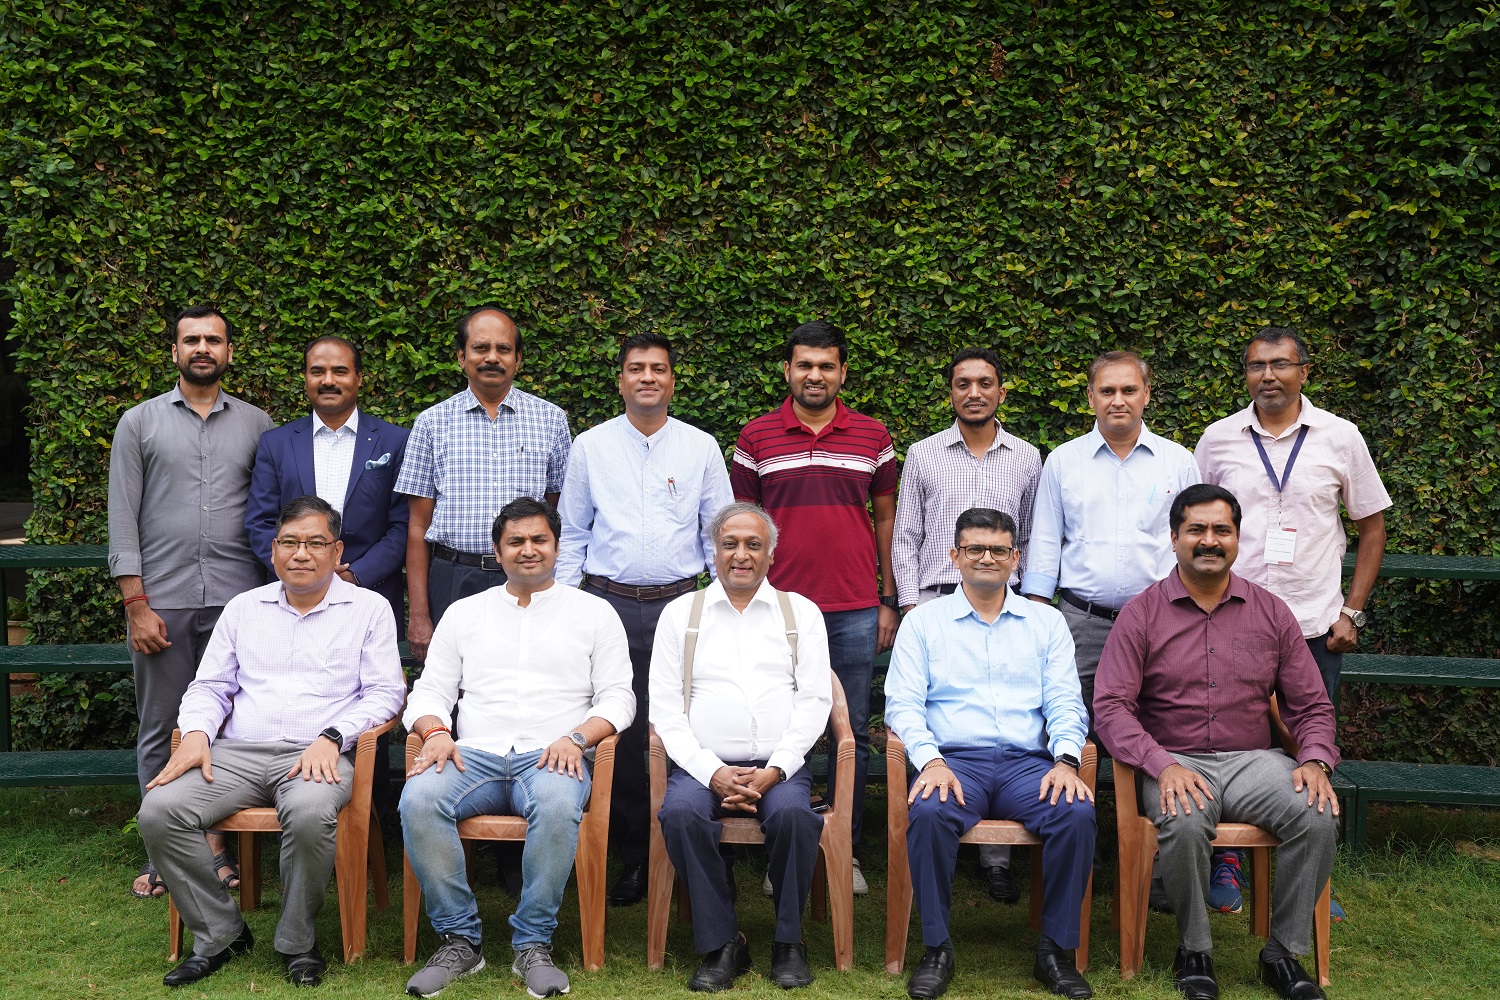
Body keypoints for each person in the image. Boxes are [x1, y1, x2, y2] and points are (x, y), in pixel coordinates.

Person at [138, 495, 406, 988]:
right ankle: (219, 932)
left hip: (318, 755)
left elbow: (387, 692)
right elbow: (211, 685)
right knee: (158, 811)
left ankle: (297, 940)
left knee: (307, 813)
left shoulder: (368, 608)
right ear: (274, 547)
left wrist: (334, 735)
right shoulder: (245, 607)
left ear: (337, 550)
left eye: (315, 543)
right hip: (236, 754)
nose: (301, 554)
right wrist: (197, 732)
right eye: (289, 542)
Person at [1093, 483, 1341, 1000]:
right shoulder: (1142, 614)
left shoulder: (1270, 612)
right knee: (1183, 822)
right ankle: (1195, 950)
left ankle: (1282, 952)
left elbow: (1311, 704)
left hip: (1255, 761)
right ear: (1174, 538)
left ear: (1237, 538)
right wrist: (1160, 765)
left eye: (1221, 530)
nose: (1210, 540)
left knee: (1317, 813)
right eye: (1197, 530)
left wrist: (1315, 758)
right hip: (1173, 760)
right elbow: (1112, 707)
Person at [400, 497, 635, 1000]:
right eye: (516, 542)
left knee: (555, 803)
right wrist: (436, 729)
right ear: (497, 550)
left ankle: (532, 945)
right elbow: (429, 690)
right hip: (473, 755)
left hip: (555, 753)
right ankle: (460, 940)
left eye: (539, 540)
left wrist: (578, 737)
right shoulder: (466, 613)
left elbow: (619, 695)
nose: (528, 550)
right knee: (418, 800)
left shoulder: (594, 613)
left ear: (556, 545)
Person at [1194, 327, 1389, 916]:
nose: (1268, 377)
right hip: (1233, 619)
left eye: (1281, 365)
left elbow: (1371, 526)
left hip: (1311, 622)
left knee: (1309, 746)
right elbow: (1193, 522)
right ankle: (1226, 862)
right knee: (1233, 740)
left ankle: (1306, 874)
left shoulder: (1340, 437)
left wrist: (1351, 611)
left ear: (1305, 370)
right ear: (1245, 374)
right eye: (1256, 366)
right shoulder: (1219, 439)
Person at [886, 508, 1095, 1000]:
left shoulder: (1046, 623)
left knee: (1077, 812)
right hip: (955, 761)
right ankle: (937, 947)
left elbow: (1066, 700)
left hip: (1029, 765)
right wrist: (929, 760)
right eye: (975, 548)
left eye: (999, 549)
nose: (987, 557)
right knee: (932, 812)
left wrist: (1066, 760)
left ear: (1015, 559)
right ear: (955, 556)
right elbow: (903, 704)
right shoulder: (923, 623)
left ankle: (1055, 951)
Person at [556, 332, 733, 908]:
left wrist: (726, 602)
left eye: (659, 369)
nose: (648, 378)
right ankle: (635, 857)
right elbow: (574, 533)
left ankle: (698, 850)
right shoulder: (590, 446)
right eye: (637, 369)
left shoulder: (701, 447)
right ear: (622, 379)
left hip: (683, 605)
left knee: (692, 722)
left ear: (673, 379)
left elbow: (720, 534)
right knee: (627, 735)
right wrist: (565, 604)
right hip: (608, 604)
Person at [108, 305, 274, 900]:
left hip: (240, 602)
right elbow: (121, 517)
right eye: (191, 340)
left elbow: (270, 513)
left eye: (214, 340)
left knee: (228, 725)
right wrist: (135, 603)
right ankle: (164, 859)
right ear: (174, 351)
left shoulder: (258, 424)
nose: (203, 348)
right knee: (160, 728)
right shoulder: (140, 423)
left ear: (229, 351)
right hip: (164, 601)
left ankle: (219, 855)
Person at [730, 319, 897, 895]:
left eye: (827, 365)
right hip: (778, 610)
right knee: (782, 725)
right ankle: (788, 848)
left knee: (846, 733)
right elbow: (742, 531)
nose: (815, 375)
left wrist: (887, 598)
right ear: (788, 371)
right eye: (805, 364)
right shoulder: (755, 438)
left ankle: (843, 847)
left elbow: (885, 519)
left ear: (843, 372)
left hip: (853, 607)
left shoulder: (873, 437)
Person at [651, 502, 832, 992]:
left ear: (771, 553)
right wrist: (712, 772)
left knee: (795, 817)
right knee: (681, 815)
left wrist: (776, 770)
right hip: (701, 766)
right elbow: (665, 709)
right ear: (714, 551)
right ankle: (722, 942)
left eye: (754, 544)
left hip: (781, 766)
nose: (741, 555)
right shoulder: (680, 615)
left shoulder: (801, 613)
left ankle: (788, 942)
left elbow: (815, 701)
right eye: (730, 544)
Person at [892, 346, 1043, 904]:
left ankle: (998, 861)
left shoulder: (1028, 458)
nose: (973, 392)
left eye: (985, 383)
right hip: (934, 602)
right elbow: (906, 533)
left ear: (1002, 392)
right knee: (947, 713)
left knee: (999, 708)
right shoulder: (926, 455)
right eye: (962, 383)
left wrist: (1028, 605)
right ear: (950, 392)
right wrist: (910, 606)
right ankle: (944, 845)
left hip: (1005, 608)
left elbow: (1030, 536)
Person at [1022, 350, 1201, 720]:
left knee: (1158, 726)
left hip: (1161, 622)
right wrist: (1039, 621)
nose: (1118, 400)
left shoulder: (1178, 462)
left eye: (1129, 390)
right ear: (1091, 397)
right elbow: (1044, 541)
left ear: (1147, 394)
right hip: (1081, 625)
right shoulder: (1063, 461)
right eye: (1107, 391)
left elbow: (1195, 542)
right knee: (1074, 726)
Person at [394, 305, 572, 661]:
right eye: (480, 348)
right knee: (456, 687)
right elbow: (417, 526)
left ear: (518, 359)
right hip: (453, 578)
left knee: (529, 677)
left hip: (527, 577)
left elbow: (558, 515)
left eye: (503, 349)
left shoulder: (551, 420)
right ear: (461, 357)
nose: (492, 357)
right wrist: (420, 614)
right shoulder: (432, 423)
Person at [246, 335, 410, 629]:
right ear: (306, 378)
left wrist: (356, 575)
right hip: (292, 597)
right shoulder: (276, 444)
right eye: (317, 371)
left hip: (370, 593)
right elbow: (260, 522)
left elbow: (403, 525)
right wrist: (300, 572)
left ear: (359, 378)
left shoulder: (396, 441)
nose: (328, 380)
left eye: (340, 371)